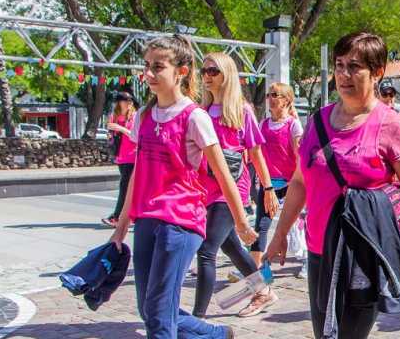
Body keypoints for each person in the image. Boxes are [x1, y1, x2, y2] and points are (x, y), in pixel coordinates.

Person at [265, 32, 400, 339]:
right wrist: (280, 233)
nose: (344, 75)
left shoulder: (391, 125)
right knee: (325, 333)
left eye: (355, 67)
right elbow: (299, 182)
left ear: (377, 73)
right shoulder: (317, 122)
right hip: (319, 249)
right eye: (339, 65)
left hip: (364, 253)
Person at [108, 35, 257, 339]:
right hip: (147, 219)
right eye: (146, 66)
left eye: (157, 67)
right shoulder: (145, 116)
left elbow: (223, 173)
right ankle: (215, 334)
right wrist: (122, 223)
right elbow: (137, 173)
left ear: (182, 71)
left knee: (159, 316)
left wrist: (241, 221)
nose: (148, 74)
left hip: (180, 222)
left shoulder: (195, 117)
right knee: (149, 310)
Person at [193, 52, 277, 318]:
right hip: (206, 189)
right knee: (231, 247)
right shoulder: (201, 112)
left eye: (213, 71)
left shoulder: (241, 111)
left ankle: (197, 318)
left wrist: (268, 188)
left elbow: (256, 153)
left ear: (226, 74)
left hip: (231, 191)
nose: (206, 76)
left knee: (206, 252)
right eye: (204, 71)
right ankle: (264, 290)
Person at [257, 82, 306, 277]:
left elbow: (299, 156)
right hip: (268, 185)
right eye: (269, 94)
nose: (270, 98)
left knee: (294, 229)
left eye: (275, 94)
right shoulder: (263, 125)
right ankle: (261, 271)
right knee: (261, 227)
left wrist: (298, 183)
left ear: (286, 100)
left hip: (289, 185)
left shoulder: (293, 125)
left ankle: (306, 261)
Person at [103, 91, 137, 227]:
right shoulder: (114, 117)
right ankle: (132, 216)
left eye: (123, 101)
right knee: (129, 188)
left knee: (124, 187)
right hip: (121, 157)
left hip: (132, 157)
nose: (121, 103)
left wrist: (120, 128)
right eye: (119, 101)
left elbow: (135, 136)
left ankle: (116, 217)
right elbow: (112, 136)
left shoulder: (134, 117)